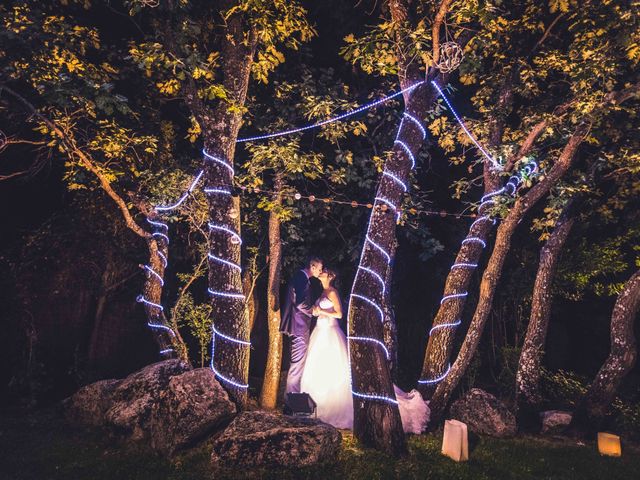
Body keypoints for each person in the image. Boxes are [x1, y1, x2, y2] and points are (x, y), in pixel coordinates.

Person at [300, 267, 430, 433]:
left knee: (335, 370)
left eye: (324, 271)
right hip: (320, 332)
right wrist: (316, 311)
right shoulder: (323, 291)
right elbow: (322, 311)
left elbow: (339, 314)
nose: (321, 273)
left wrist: (322, 311)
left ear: (330, 276)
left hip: (330, 334)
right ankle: (316, 403)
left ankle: (334, 406)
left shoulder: (332, 292)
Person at [279, 256, 323, 394]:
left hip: (297, 325)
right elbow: (301, 303)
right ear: (312, 267)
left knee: (297, 364)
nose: (320, 272)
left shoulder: (301, 278)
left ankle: (292, 400)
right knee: (297, 365)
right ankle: (292, 402)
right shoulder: (302, 278)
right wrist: (313, 310)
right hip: (299, 326)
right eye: (319, 269)